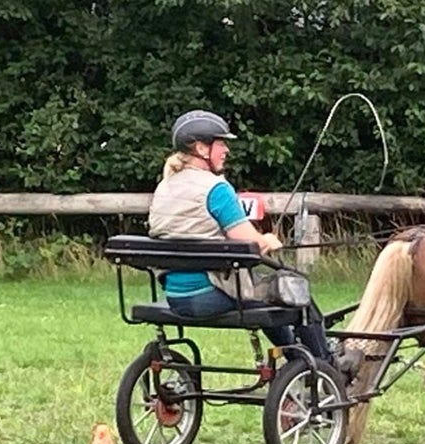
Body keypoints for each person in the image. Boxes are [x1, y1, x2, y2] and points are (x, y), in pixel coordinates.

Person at [147, 109, 360, 377]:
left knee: (267, 296)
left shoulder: (165, 186)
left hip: (176, 295)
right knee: (296, 293)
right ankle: (326, 367)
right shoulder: (216, 189)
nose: (226, 150)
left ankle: (296, 361)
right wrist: (267, 240)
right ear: (201, 148)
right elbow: (248, 242)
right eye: (221, 143)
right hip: (209, 295)